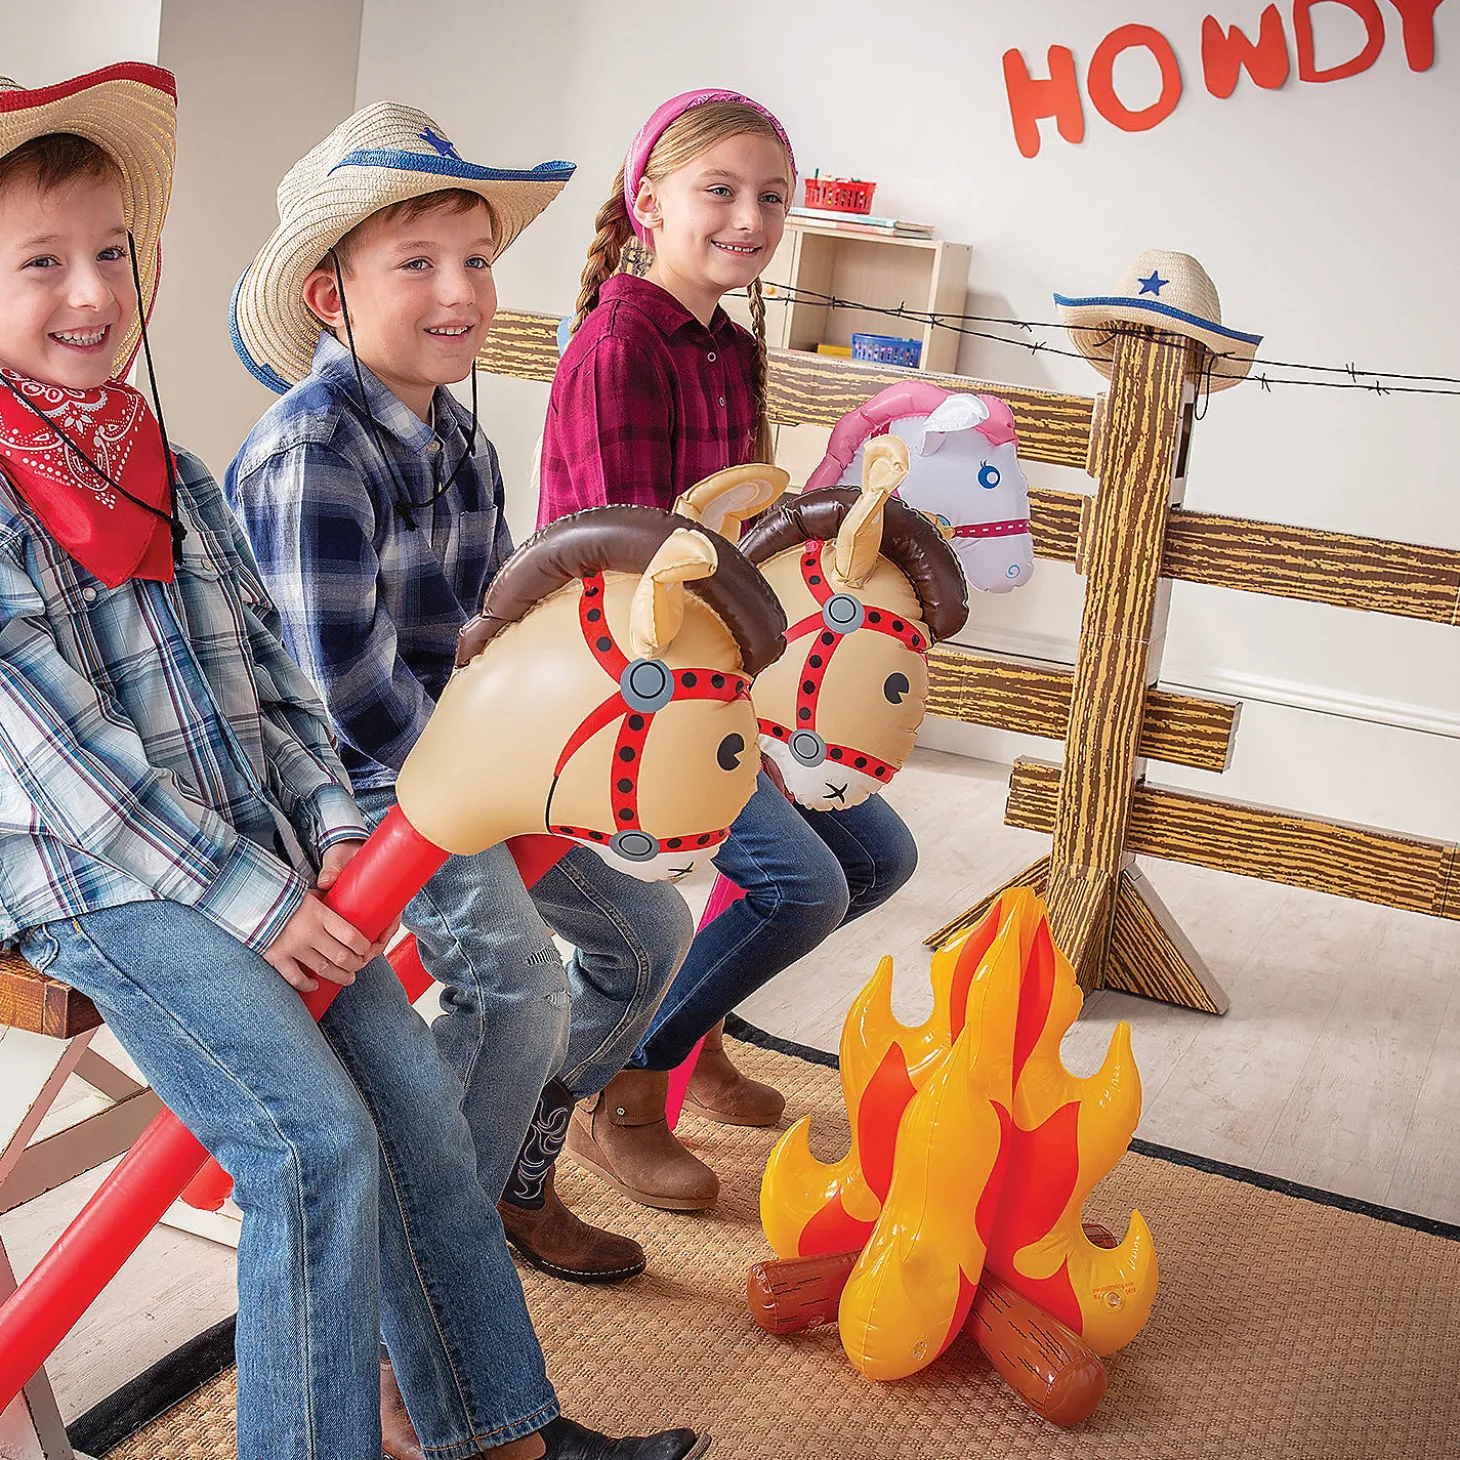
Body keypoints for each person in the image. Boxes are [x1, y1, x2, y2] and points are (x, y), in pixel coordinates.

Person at [0, 65, 703, 1460]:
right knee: (310, 1151)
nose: (90, 293)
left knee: (421, 1128)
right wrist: (262, 904)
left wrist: (330, 833)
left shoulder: (173, 472)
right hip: (95, 878)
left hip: (261, 850)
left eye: (110, 254)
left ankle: (496, 1429)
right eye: (41, 264)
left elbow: (280, 686)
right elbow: (63, 763)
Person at [538, 90, 918, 1212]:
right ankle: (624, 1089)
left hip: (719, 661)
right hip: (635, 679)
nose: (748, 218)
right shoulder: (619, 346)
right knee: (800, 885)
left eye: (770, 198)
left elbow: (735, 527)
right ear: (646, 201)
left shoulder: (726, 344)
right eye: (720, 191)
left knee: (876, 855)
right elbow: (628, 555)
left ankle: (688, 1025)